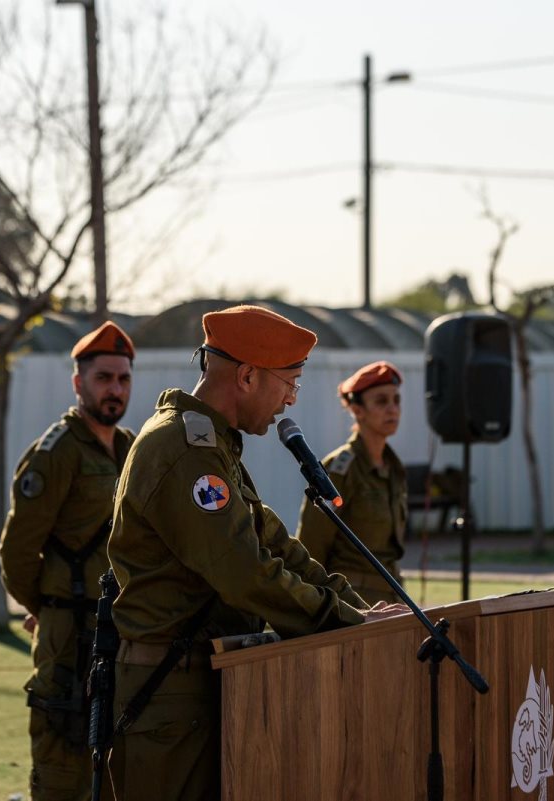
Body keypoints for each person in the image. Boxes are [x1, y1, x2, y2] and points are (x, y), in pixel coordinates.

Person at [107, 305, 392, 801]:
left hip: (205, 680)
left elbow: (277, 546)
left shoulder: (214, 445)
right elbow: (245, 572)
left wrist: (360, 612)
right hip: (172, 691)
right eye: (290, 383)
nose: (289, 401)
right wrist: (342, 621)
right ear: (245, 375)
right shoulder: (185, 449)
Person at [0, 320, 136, 801]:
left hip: (119, 633)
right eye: (104, 378)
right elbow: (16, 550)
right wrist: (49, 605)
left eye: (123, 378)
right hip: (68, 637)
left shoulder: (130, 449)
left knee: (118, 772)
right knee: (63, 772)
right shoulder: (57, 452)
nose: (115, 389)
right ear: (78, 383)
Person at [296, 361, 408, 605]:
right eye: (381, 401)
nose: (392, 409)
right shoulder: (340, 469)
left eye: (396, 400)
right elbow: (312, 548)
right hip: (352, 601)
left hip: (393, 597)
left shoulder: (393, 469)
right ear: (358, 410)